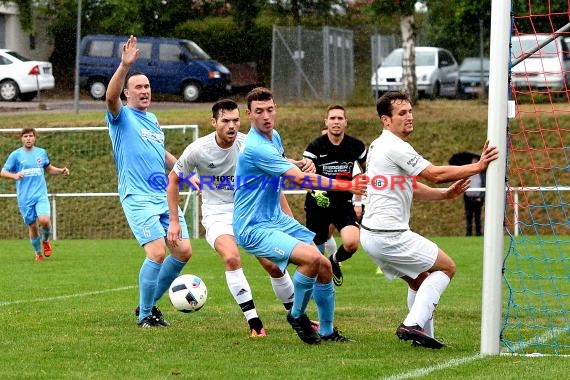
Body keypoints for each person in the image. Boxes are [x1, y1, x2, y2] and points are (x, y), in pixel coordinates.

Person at [359, 91, 498, 349]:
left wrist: (445, 195)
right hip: (389, 234)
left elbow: (409, 185)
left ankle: (424, 338)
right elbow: (434, 173)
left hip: (371, 235)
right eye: (402, 113)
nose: (409, 116)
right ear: (385, 120)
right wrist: (477, 167)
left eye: (410, 111)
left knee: (419, 280)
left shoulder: (378, 145)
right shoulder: (394, 146)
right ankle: (412, 325)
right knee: (446, 267)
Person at [233, 87, 366, 345]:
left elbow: (282, 162)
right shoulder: (254, 147)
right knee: (311, 260)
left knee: (325, 266)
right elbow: (301, 180)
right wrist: (345, 185)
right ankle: (296, 316)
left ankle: (327, 331)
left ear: (275, 110)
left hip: (274, 218)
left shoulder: (274, 138)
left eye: (270, 109)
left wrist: (297, 162)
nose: (265, 116)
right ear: (249, 115)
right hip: (253, 226)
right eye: (258, 111)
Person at [167, 99, 308, 337]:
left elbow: (277, 175)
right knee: (231, 257)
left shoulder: (249, 144)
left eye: (235, 120)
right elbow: (173, 179)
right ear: (214, 122)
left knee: (274, 265)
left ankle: (297, 317)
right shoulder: (198, 149)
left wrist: (289, 215)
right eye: (225, 121)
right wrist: (173, 221)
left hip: (251, 212)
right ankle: (254, 323)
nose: (231, 126)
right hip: (217, 215)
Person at [105, 35, 192, 328]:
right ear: (127, 94)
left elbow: (161, 153)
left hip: (162, 195)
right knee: (156, 251)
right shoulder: (121, 116)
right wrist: (124, 66)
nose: (144, 91)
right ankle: (145, 315)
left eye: (147, 87)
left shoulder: (153, 120)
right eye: (138, 87)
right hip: (137, 196)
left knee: (183, 251)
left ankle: (149, 304)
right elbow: (109, 97)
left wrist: (184, 171)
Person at [303, 105, 367, 286]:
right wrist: (314, 190)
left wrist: (359, 200)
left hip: (343, 204)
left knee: (352, 242)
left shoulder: (356, 145)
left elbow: (366, 170)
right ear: (326, 122)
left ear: (346, 122)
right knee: (314, 254)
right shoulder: (315, 146)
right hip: (319, 204)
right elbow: (306, 179)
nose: (336, 122)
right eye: (332, 118)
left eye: (340, 118)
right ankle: (316, 286)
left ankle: (334, 260)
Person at [1, 128, 70, 262]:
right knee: (32, 226)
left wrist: (61, 170)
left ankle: (45, 240)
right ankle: (38, 253)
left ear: (35, 138)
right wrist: (14, 175)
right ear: (21, 139)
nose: (28, 138)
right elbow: (3, 171)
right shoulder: (16, 155)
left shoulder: (41, 152)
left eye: (31, 136)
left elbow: (49, 169)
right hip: (24, 198)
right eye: (25, 136)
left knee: (44, 220)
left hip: (40, 195)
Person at [464, 157, 486, 236]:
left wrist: (481, 197)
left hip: (477, 199)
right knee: (468, 216)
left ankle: (478, 233)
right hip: (468, 198)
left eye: (476, 162)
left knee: (478, 217)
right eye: (473, 162)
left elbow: (484, 185)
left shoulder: (482, 174)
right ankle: (468, 234)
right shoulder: (467, 174)